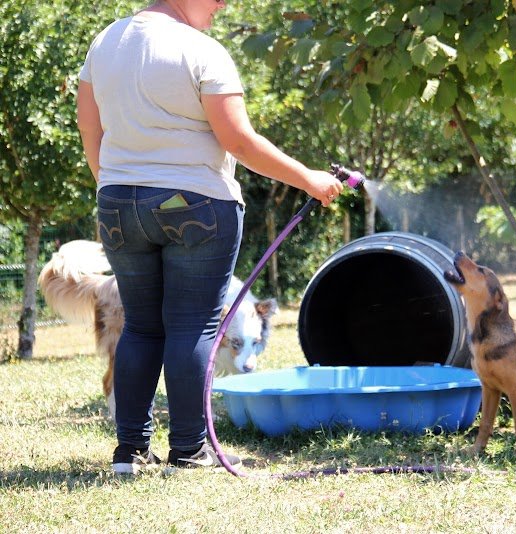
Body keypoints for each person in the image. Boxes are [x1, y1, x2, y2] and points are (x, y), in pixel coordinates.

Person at [76, 0, 344, 475]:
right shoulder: (202, 51)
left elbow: (89, 127)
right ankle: (188, 451)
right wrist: (308, 178)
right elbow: (237, 140)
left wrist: (118, 188)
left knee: (140, 326)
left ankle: (130, 452)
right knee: (193, 327)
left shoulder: (105, 42)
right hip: (195, 205)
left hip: (118, 203)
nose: (223, 3)